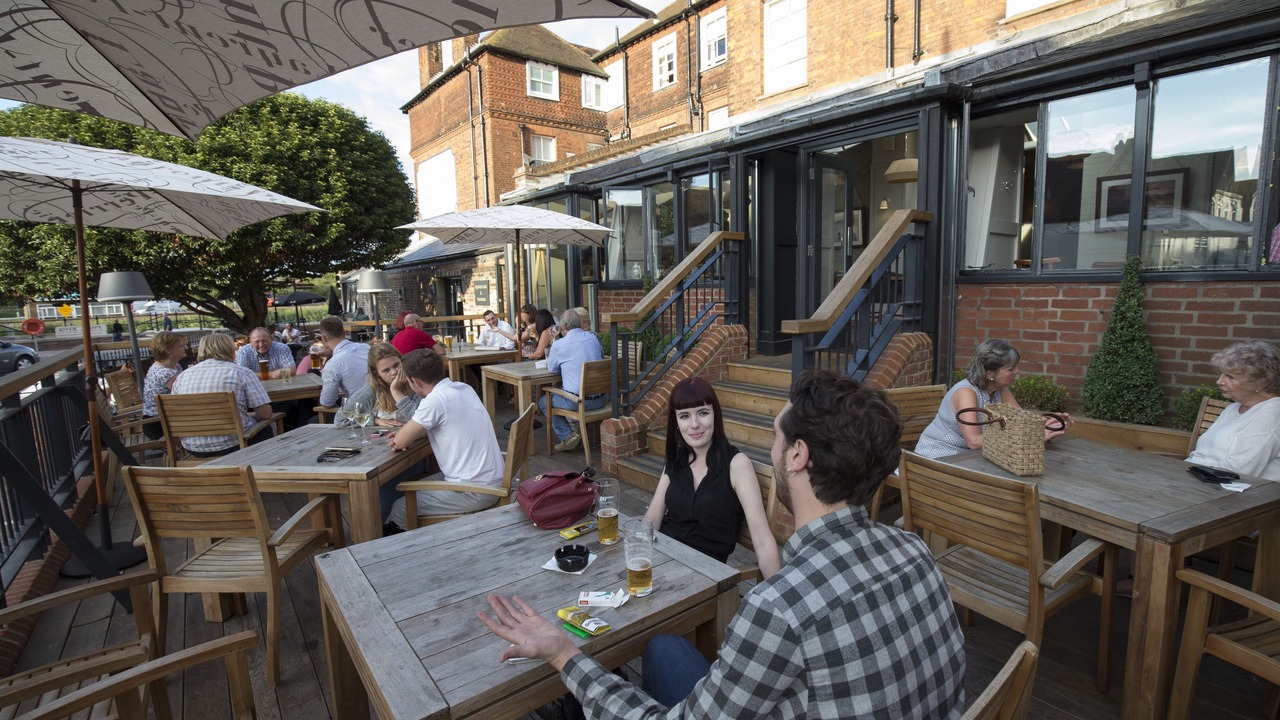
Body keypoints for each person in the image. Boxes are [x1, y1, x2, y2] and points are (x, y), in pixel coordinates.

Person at [479, 369, 966, 718]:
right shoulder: (916, 552)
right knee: (665, 648)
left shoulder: (777, 611)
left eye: (776, 436)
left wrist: (565, 654)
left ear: (797, 455)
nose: (770, 449)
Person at [642, 377, 781, 576]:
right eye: (684, 416)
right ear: (676, 422)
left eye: (703, 413)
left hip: (704, 574)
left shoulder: (737, 465)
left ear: (715, 414)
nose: (694, 424)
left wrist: (775, 598)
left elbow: (763, 541)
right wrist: (636, 553)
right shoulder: (676, 459)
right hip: (661, 558)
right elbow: (652, 518)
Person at [385, 349, 504, 531]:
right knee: (406, 491)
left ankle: (408, 553)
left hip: (474, 491)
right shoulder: (463, 387)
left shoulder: (435, 400)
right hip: (489, 479)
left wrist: (394, 389)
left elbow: (399, 442)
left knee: (399, 508)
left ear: (415, 381)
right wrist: (412, 432)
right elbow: (443, 424)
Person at [915, 338, 1069, 459]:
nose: (1018, 371)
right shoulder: (966, 393)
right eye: (1010, 369)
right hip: (939, 456)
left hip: (969, 458)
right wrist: (1024, 438)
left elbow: (1023, 422)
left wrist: (1047, 424)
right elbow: (974, 441)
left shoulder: (999, 390)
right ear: (989, 374)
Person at [1186, 340, 1280, 480]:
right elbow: (1201, 453)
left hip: (1241, 494)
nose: (1219, 381)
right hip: (1202, 480)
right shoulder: (1233, 407)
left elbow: (1240, 470)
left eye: (1230, 377)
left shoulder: (1272, 412)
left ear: (1262, 382)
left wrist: (1190, 468)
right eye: (1221, 374)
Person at [171, 333, 273, 457]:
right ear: (230, 349)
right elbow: (265, 414)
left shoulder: (182, 376)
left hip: (193, 447)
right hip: (234, 444)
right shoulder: (241, 373)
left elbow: (177, 414)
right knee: (267, 428)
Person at [539, 309, 605, 452]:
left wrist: (555, 342)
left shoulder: (559, 345)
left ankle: (568, 436)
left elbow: (552, 369)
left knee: (544, 401)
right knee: (566, 390)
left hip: (579, 402)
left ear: (562, 327)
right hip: (602, 399)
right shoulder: (593, 338)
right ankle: (578, 431)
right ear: (580, 323)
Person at [335, 343, 420, 429]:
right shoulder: (370, 391)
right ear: (377, 373)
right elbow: (340, 419)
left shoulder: (415, 383)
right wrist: (375, 421)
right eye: (386, 370)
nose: (394, 372)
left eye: (396, 365)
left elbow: (420, 420)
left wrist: (396, 391)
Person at [140, 331, 186, 440]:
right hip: (159, 425)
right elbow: (186, 395)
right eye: (181, 346)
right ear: (168, 350)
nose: (186, 347)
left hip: (168, 419)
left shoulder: (174, 366)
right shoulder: (164, 373)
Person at [318, 315, 371, 408]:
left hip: (360, 411)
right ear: (344, 332)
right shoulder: (366, 348)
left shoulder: (333, 364)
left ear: (324, 338)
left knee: (312, 419)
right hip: (382, 405)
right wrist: (331, 352)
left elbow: (327, 402)